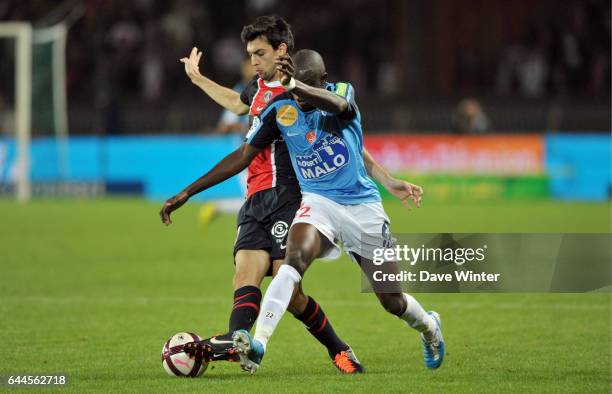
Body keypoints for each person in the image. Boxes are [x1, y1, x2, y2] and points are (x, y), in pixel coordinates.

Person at [164, 15, 362, 373]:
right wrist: (198, 79)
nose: (253, 61)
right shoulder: (256, 88)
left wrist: (188, 191)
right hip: (255, 199)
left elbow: (341, 134)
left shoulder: (299, 93)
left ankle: (338, 348)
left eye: (259, 53)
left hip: (290, 196)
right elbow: (238, 105)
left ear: (282, 50)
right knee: (244, 277)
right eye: (250, 54)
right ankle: (238, 343)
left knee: (287, 291)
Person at [228, 49, 445, 373]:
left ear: (323, 82)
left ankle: (430, 328)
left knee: (391, 301)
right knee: (291, 265)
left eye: (306, 86)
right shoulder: (283, 109)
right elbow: (244, 147)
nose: (299, 97)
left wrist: (386, 181)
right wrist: (188, 192)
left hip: (363, 209)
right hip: (319, 203)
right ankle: (258, 344)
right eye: (293, 88)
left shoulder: (341, 93)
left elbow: (343, 112)